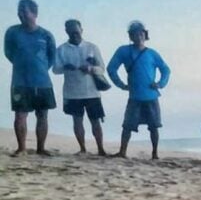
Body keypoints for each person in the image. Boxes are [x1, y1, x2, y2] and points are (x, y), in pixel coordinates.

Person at [107, 21, 170, 159]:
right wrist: (121, 84)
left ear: (145, 35)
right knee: (127, 126)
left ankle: (155, 154)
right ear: (130, 36)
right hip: (135, 96)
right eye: (135, 33)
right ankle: (122, 152)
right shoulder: (123, 51)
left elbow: (166, 69)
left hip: (151, 95)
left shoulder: (152, 53)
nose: (138, 36)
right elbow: (111, 68)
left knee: (154, 127)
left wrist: (160, 83)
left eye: (141, 33)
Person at [4, 0, 56, 156]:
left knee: (42, 115)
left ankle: (41, 148)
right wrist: (23, 65)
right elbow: (8, 53)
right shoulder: (12, 32)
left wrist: (39, 69)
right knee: (20, 115)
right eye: (19, 11)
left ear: (34, 13)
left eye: (24, 11)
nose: (20, 14)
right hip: (20, 82)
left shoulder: (46, 35)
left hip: (42, 82)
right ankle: (22, 148)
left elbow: (52, 57)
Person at [53, 19, 107, 155]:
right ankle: (82, 148)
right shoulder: (61, 49)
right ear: (66, 32)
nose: (75, 35)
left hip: (92, 92)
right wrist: (66, 67)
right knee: (77, 121)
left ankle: (101, 149)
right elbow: (55, 69)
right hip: (72, 92)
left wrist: (90, 69)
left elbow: (102, 68)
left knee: (95, 121)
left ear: (82, 30)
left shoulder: (92, 47)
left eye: (76, 32)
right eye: (71, 32)